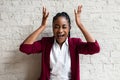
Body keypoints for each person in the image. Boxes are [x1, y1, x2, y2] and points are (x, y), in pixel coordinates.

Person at [19, 5, 100, 80]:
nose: (60, 31)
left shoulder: (75, 44)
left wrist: (80, 25)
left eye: (64, 27)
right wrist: (42, 26)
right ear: (53, 28)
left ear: (69, 28)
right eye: (56, 27)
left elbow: (94, 48)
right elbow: (25, 48)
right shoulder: (46, 43)